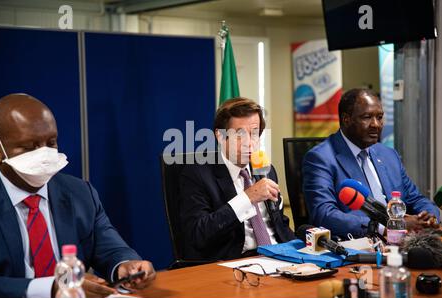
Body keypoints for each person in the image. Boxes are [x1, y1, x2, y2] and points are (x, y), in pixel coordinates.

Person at [0, 93, 156, 298]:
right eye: (29, 146)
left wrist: (126, 266)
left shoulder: (79, 192)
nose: (43, 154)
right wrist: (50, 289)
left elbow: (110, 249)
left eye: (51, 143)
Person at [302, 88, 440, 239]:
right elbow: (324, 214)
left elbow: (417, 199)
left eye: (379, 117)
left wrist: (429, 218)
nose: (376, 124)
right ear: (346, 119)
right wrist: (386, 228)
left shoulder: (388, 155)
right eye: (367, 117)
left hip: (405, 242)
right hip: (360, 245)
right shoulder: (320, 158)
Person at [179, 97, 295, 261]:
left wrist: (301, 252)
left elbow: (279, 224)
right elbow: (198, 234)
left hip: (280, 256)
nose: (249, 143)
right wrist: (247, 198)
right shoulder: (197, 174)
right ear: (220, 136)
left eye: (254, 134)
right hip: (235, 263)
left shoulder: (265, 169)